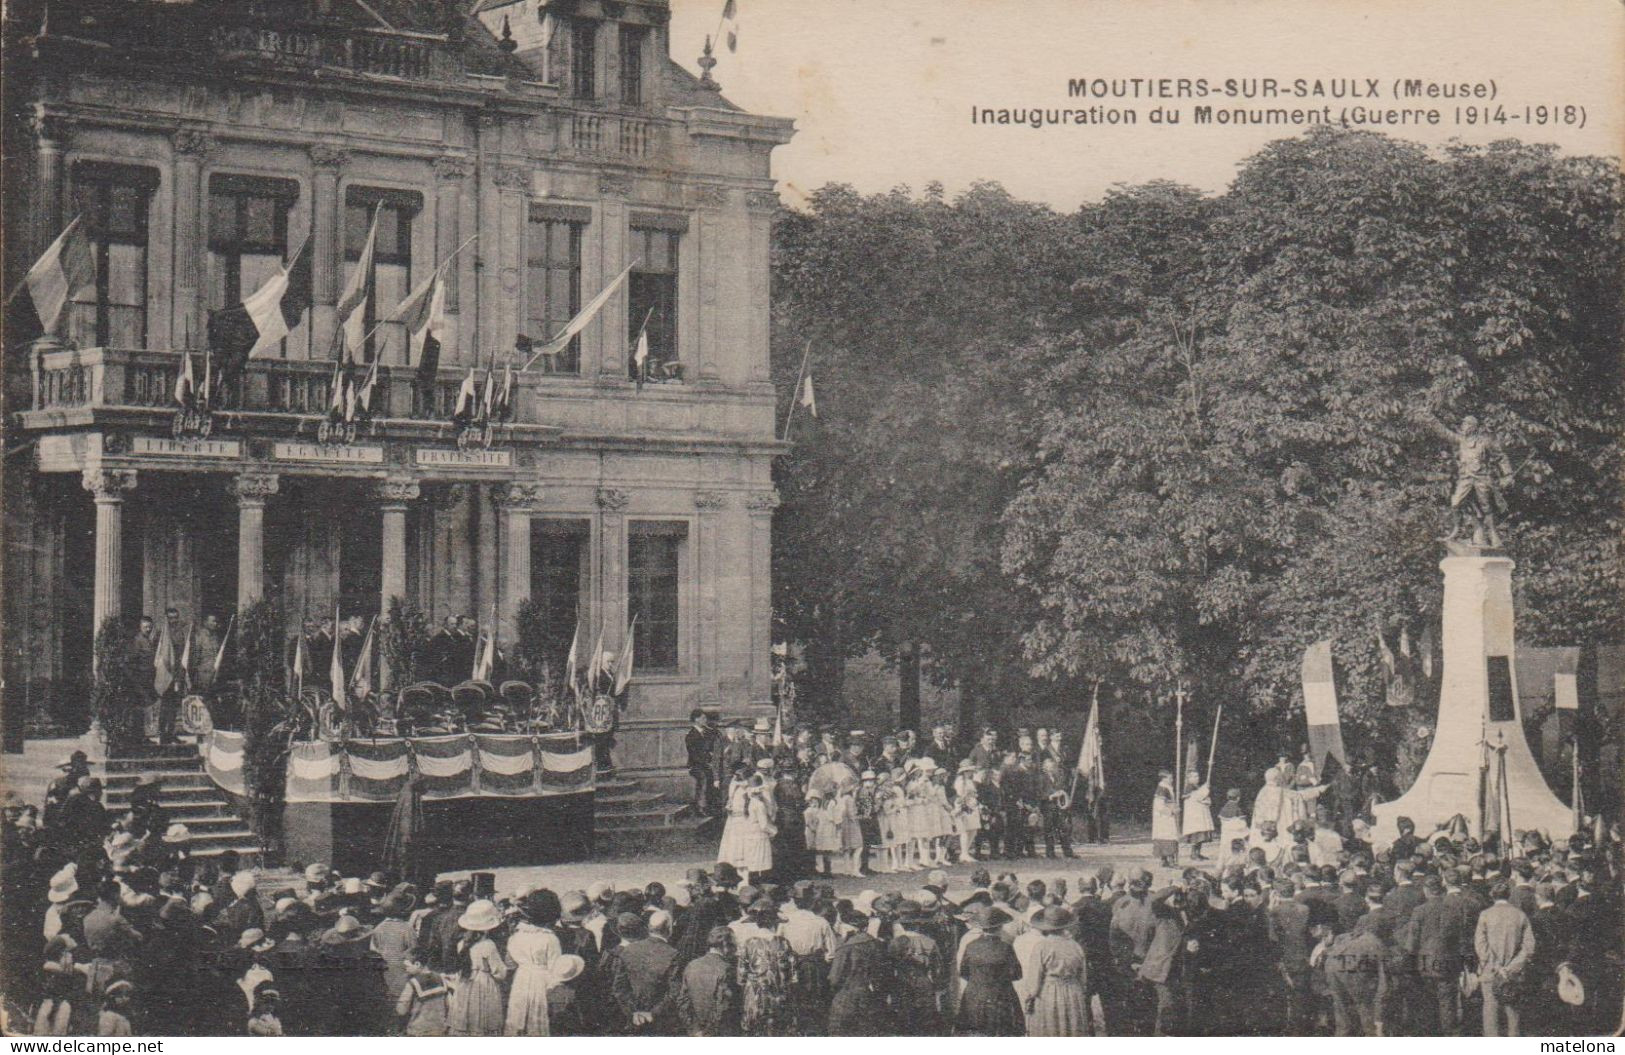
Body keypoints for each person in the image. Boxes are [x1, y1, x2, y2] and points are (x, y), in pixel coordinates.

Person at [1474, 879, 1535, 1037]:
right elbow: (1529, 947)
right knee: (1513, 1014)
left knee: (1490, 1013)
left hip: (1490, 971)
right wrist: (1511, 967)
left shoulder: (1485, 915)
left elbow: (1480, 945)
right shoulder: (1520, 915)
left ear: (1491, 895)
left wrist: (1495, 966)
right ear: (1509, 895)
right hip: (1513, 973)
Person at [954, 903, 1021, 1036]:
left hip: (974, 995)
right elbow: (1016, 974)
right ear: (1000, 926)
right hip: (1000, 996)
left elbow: (963, 972)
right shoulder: (1005, 947)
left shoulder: (971, 945)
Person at [504, 890, 562, 1036]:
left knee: (518, 1017)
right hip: (542, 981)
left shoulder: (516, 936)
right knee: (539, 1017)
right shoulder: (550, 939)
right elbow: (556, 969)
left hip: (521, 980)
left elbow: (510, 964)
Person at [446, 899, 507, 1036]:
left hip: (465, 982)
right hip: (484, 985)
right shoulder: (488, 945)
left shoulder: (462, 943)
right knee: (483, 1020)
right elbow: (499, 972)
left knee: (465, 1017)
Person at [827, 905, 891, 1035]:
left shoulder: (845, 948)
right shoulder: (877, 944)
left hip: (848, 997)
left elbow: (834, 979)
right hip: (874, 997)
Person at [675, 925, 740, 1035]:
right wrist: (707, 1032)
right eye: (733, 945)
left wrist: (694, 1030)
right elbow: (723, 1008)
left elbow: (682, 1001)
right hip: (717, 1033)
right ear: (725, 945)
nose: (736, 949)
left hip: (694, 1031)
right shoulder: (727, 969)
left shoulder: (692, 965)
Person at [686, 710, 718, 816]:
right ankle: (700, 807)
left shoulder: (707, 732)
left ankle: (710, 806)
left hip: (706, 764)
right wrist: (706, 763)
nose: (706, 720)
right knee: (703, 777)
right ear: (696, 719)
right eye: (703, 718)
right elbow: (694, 755)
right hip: (696, 766)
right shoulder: (691, 735)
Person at [1182, 769, 1214, 860]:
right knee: (1196, 836)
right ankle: (1193, 854)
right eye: (1194, 776)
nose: (1197, 778)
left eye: (1198, 776)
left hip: (1200, 814)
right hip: (1194, 816)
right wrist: (1205, 788)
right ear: (1189, 778)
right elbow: (1198, 796)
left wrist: (1206, 798)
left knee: (1201, 836)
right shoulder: (1189, 788)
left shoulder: (1197, 787)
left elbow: (1204, 798)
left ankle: (1198, 853)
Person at [1151, 771, 1180, 867]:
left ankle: (1164, 860)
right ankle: (1170, 861)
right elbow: (1159, 805)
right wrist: (1171, 811)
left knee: (1165, 837)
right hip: (1164, 817)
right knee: (1169, 837)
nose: (1172, 780)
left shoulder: (1167, 788)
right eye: (1170, 778)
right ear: (1164, 779)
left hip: (1166, 816)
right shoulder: (1162, 789)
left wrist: (1175, 807)